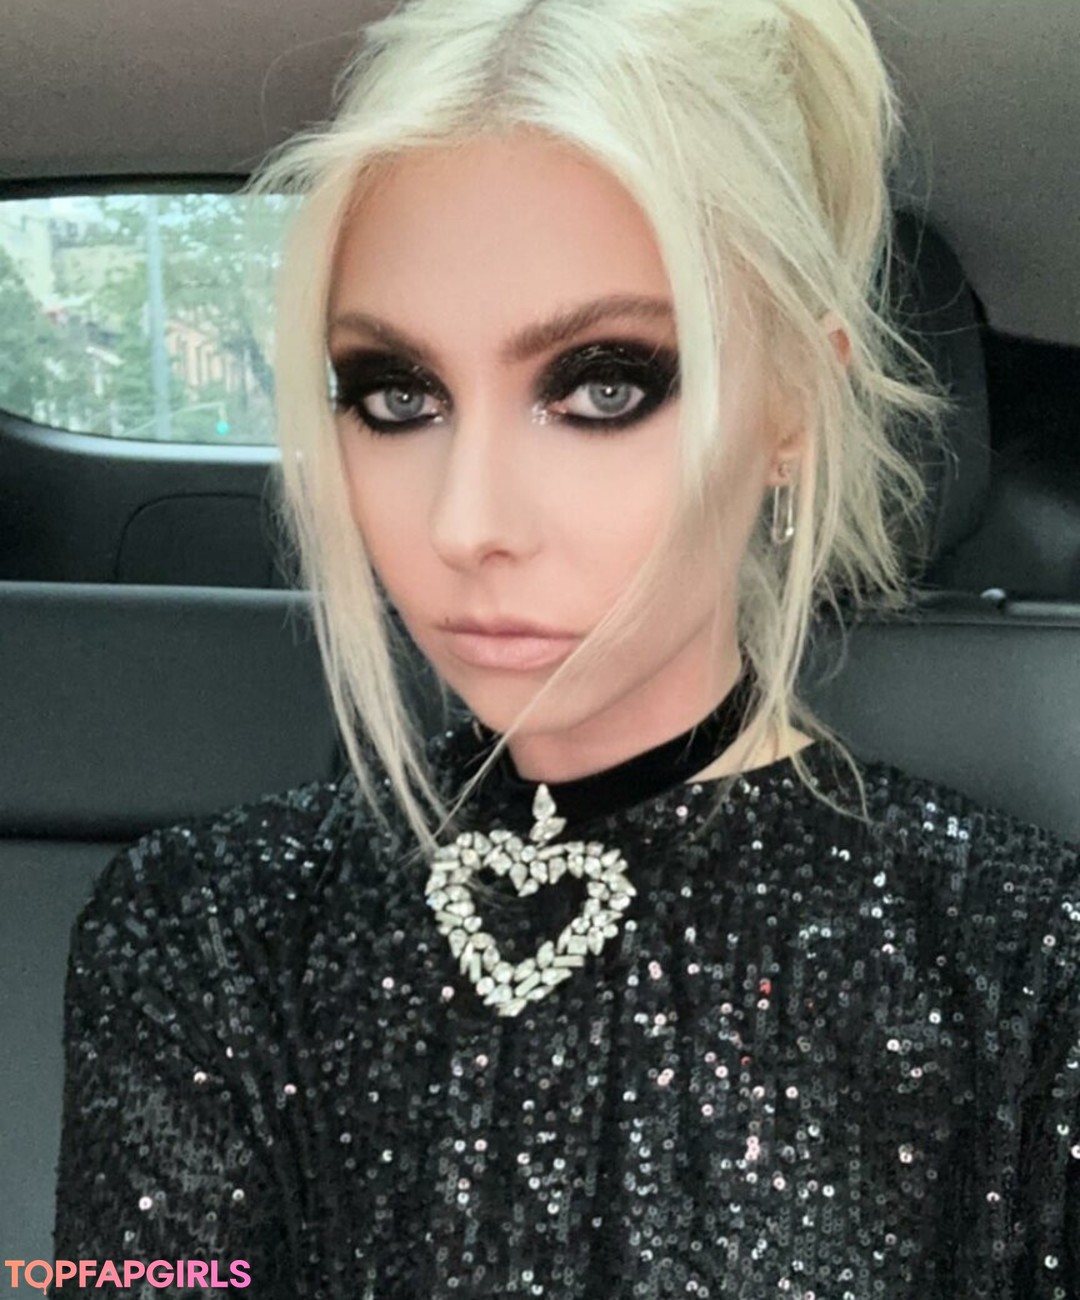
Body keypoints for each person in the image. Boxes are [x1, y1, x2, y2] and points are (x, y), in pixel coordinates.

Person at [51, 0, 1080, 1296]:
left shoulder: (1022, 963)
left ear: (792, 405)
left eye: (603, 386)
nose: (467, 523)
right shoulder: (206, 928)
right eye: (398, 396)